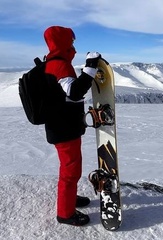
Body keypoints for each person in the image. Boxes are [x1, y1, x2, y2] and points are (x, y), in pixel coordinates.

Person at [43, 26, 101, 226]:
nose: (74, 45)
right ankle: (65, 213)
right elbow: (74, 92)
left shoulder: (52, 62)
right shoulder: (60, 65)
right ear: (63, 42)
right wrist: (90, 67)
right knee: (71, 170)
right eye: (71, 41)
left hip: (62, 125)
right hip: (63, 128)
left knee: (70, 168)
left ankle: (69, 198)